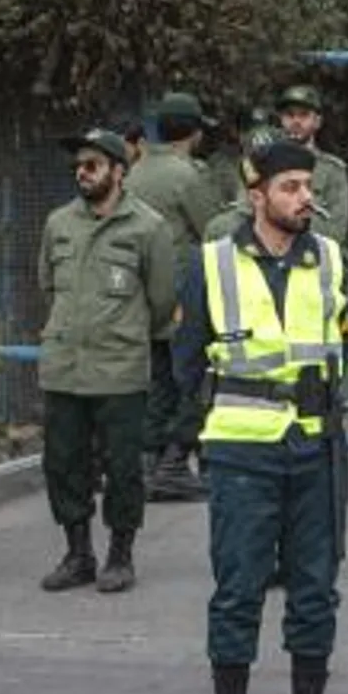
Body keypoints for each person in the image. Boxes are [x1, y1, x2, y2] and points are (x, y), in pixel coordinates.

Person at [174, 138, 348, 694]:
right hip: (241, 452)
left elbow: (341, 351)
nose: (306, 198)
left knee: (314, 588)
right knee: (239, 588)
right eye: (291, 187)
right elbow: (185, 362)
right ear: (258, 197)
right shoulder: (211, 265)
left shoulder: (331, 259)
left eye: (308, 186)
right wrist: (209, 433)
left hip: (316, 449)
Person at [36, 129, 176, 592]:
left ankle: (120, 554)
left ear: (119, 171)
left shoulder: (149, 227)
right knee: (63, 464)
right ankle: (78, 554)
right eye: (78, 164)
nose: (82, 171)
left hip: (119, 370)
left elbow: (160, 302)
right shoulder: (59, 223)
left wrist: (124, 334)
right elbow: (47, 285)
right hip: (64, 367)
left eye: (93, 164)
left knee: (122, 468)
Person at [127, 91, 225, 501]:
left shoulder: (134, 173)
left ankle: (148, 466)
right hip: (183, 294)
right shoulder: (188, 176)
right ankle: (173, 463)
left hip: (140, 293)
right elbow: (214, 230)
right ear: (195, 133)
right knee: (193, 381)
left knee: (158, 383)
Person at [275, 85, 348, 246]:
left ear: (317, 122)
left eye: (303, 115)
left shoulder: (332, 171)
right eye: (289, 115)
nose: (296, 121)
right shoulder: (263, 164)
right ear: (281, 120)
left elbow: (336, 230)